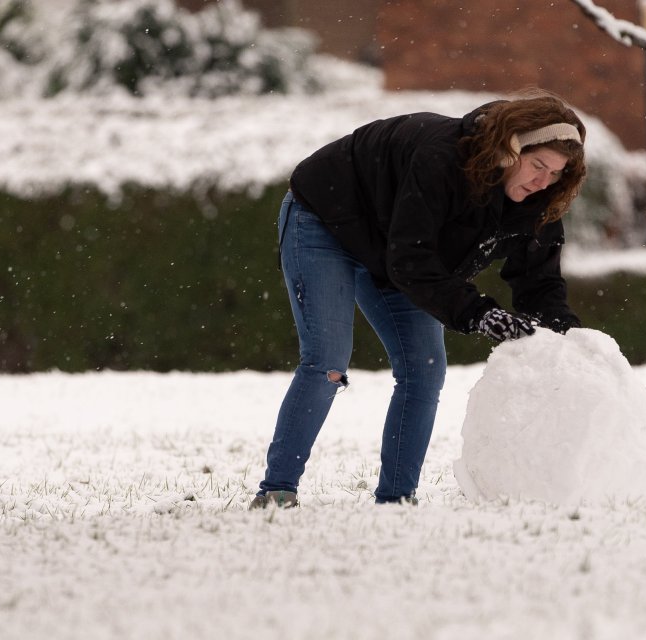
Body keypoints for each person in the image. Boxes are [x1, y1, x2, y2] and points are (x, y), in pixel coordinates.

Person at [250, 91, 587, 509]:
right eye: (538, 165)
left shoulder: (537, 203)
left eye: (555, 173)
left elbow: (540, 283)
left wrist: (572, 343)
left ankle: (397, 499)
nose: (543, 181)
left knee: (424, 371)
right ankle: (277, 490)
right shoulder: (442, 158)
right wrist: (477, 312)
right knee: (327, 361)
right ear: (509, 148)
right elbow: (412, 260)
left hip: (394, 246)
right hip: (327, 221)